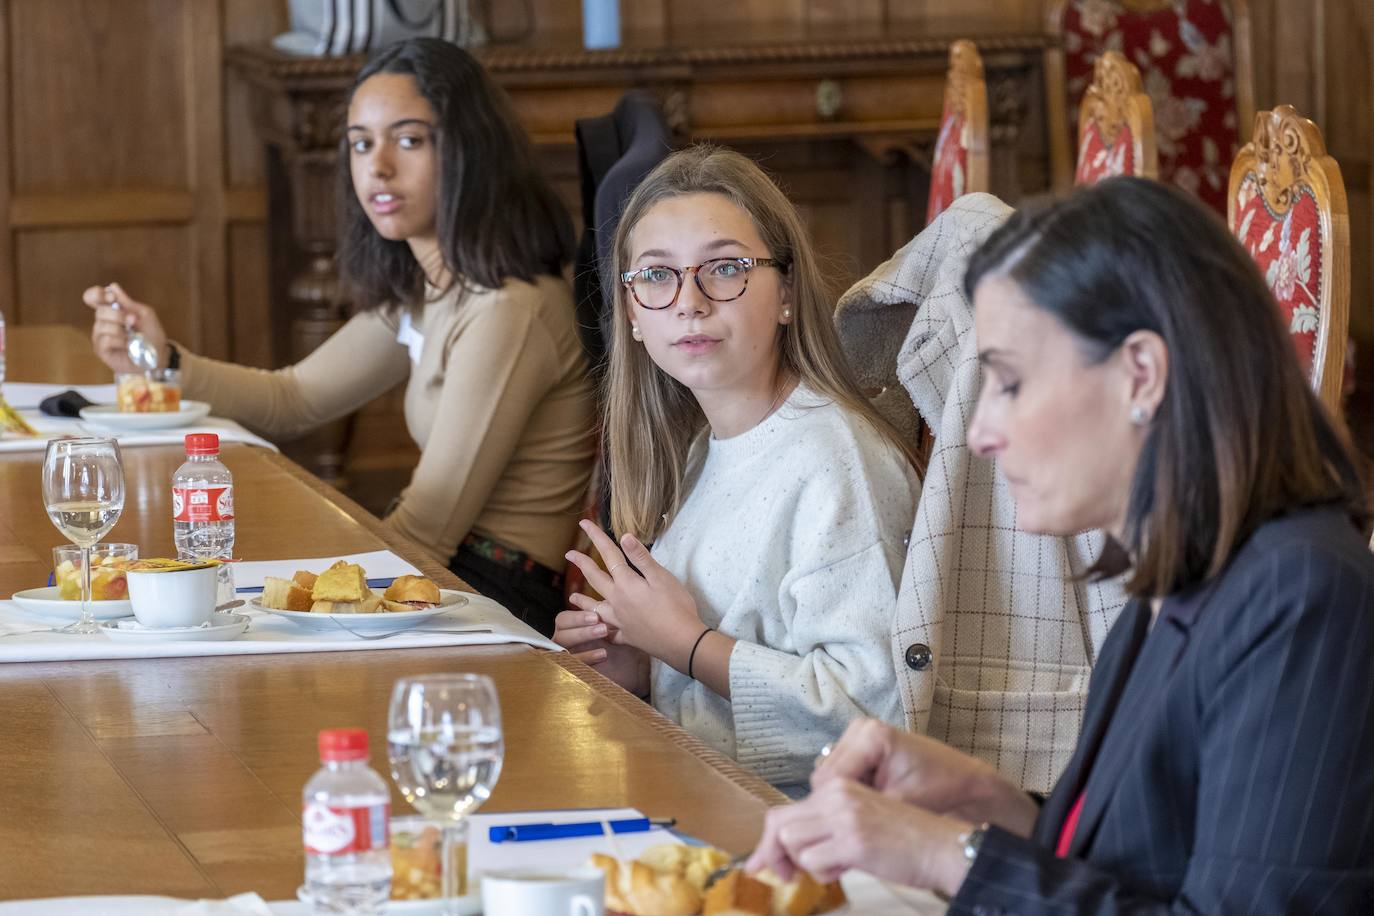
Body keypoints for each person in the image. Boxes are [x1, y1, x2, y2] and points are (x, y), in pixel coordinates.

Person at [747, 177, 1374, 912]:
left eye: (1009, 382)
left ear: (1141, 373)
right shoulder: (1173, 570)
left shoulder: (1300, 596)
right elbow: (1144, 866)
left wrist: (944, 853)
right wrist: (987, 799)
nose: (980, 433)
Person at [85, 38, 595, 635]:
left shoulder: (509, 309)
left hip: (495, 593)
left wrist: (293, 585)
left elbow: (426, 531)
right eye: (360, 143)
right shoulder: (432, 283)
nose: (377, 167)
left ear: (467, 150)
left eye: (409, 140)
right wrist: (163, 359)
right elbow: (295, 397)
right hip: (445, 569)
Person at [551, 146, 922, 791]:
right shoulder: (702, 448)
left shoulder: (836, 463)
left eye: (725, 269)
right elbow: (718, 673)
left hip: (801, 830)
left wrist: (683, 646)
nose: (689, 301)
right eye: (658, 276)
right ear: (633, 314)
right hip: (705, 789)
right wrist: (640, 664)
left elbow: (872, 719)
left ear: (786, 293)